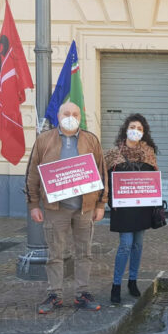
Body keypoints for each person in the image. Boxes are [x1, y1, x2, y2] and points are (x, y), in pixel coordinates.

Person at [26, 102, 108, 314]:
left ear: (80, 116)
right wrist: (34, 204)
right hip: (56, 208)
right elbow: (33, 173)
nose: (70, 117)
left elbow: (102, 173)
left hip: (85, 206)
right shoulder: (44, 140)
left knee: (84, 253)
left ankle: (82, 293)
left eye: (75, 113)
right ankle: (55, 294)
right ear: (58, 115)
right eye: (66, 113)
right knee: (55, 254)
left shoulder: (91, 140)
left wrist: (101, 204)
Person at [104, 114, 159, 304]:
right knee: (125, 244)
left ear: (144, 133)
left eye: (140, 128)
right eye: (133, 126)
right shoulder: (112, 154)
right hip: (122, 208)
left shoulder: (149, 153)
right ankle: (116, 284)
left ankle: (133, 281)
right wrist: (110, 201)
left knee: (138, 244)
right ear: (126, 129)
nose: (135, 130)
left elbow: (154, 180)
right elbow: (106, 181)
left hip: (142, 207)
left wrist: (155, 200)